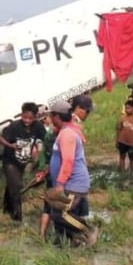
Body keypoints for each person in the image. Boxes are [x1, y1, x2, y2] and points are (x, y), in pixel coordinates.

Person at [45, 100, 95, 246]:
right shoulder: (65, 132)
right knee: (61, 216)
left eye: (51, 116)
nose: (50, 119)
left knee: (61, 214)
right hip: (69, 182)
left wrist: (60, 184)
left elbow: (67, 160)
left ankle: (88, 230)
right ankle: (68, 244)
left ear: (56, 117)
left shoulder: (67, 134)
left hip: (73, 184)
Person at [0, 102, 46, 221]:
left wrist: (37, 148)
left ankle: (6, 207)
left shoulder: (38, 126)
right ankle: (16, 216)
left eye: (30, 118)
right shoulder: (14, 126)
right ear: (21, 114)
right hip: (10, 160)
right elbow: (1, 139)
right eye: (25, 117)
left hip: (23, 161)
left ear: (35, 117)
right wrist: (10, 145)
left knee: (12, 184)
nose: (27, 121)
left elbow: (43, 140)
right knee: (17, 185)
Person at [116, 99, 133, 177]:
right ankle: (122, 173)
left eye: (129, 108)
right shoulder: (122, 118)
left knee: (132, 158)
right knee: (122, 157)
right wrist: (117, 141)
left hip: (132, 143)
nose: (127, 110)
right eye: (126, 108)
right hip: (122, 141)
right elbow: (118, 129)